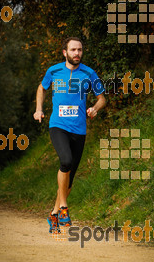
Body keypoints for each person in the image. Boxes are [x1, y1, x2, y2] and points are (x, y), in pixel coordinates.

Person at [33, 37, 106, 233]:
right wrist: (39, 109)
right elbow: (41, 88)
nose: (77, 53)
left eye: (80, 50)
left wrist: (95, 108)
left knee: (70, 177)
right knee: (65, 161)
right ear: (65, 52)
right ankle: (64, 208)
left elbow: (102, 99)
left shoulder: (89, 73)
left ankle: (54, 214)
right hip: (58, 125)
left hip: (79, 129)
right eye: (73, 50)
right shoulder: (54, 70)